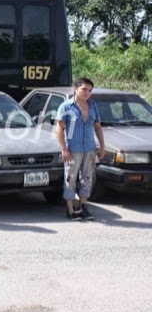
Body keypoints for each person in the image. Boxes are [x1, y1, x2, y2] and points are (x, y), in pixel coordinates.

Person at [55, 77, 105, 221]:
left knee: (87, 178)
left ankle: (84, 207)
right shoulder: (66, 106)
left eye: (90, 90)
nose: (87, 93)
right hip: (73, 149)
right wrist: (64, 149)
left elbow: (97, 127)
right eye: (84, 89)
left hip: (89, 149)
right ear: (75, 89)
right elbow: (59, 128)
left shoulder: (93, 106)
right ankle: (70, 209)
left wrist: (102, 146)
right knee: (70, 177)